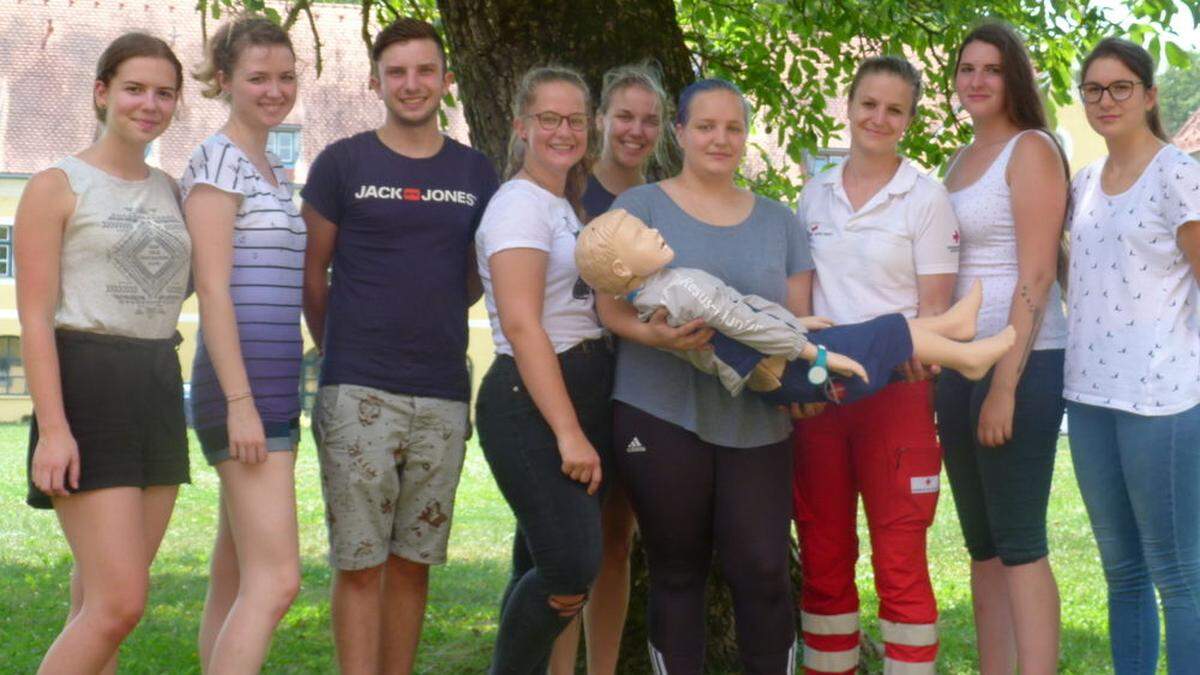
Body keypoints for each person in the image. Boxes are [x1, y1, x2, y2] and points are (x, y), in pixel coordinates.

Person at [301, 18, 499, 675]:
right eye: (396, 72)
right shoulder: (344, 163)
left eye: (423, 71)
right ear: (375, 81)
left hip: (443, 392)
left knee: (414, 561)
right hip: (358, 388)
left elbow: (475, 275)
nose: (410, 84)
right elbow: (313, 274)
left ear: (447, 80)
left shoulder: (476, 172)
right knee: (359, 562)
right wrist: (345, 352)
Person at [594, 77, 804, 674]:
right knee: (676, 568)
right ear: (679, 133)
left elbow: (800, 322)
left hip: (758, 419)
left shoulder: (779, 222)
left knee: (763, 568)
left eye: (733, 127)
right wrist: (655, 335)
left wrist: (805, 384)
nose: (720, 138)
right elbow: (609, 308)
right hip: (658, 411)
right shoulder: (639, 208)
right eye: (705, 126)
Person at [17, 32, 189, 675]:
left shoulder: (173, 189)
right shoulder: (57, 185)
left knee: (97, 601)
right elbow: (34, 319)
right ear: (102, 93)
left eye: (164, 92)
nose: (149, 103)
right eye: (135, 88)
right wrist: (53, 430)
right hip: (87, 384)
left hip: (157, 383)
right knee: (120, 604)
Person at [792, 56, 959, 675]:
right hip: (822, 396)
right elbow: (800, 306)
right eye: (869, 104)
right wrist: (798, 382)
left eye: (894, 109)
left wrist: (915, 359)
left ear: (909, 119)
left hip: (896, 397)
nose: (878, 118)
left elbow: (935, 312)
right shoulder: (814, 193)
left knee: (900, 558)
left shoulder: (925, 196)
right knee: (824, 552)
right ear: (850, 106)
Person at [933, 23, 1071, 675]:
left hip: (1020, 364)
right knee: (982, 545)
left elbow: (1037, 274)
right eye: (967, 69)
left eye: (991, 68)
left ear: (1013, 75)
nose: (978, 81)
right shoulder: (958, 160)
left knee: (1019, 541)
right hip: (959, 367)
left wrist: (1005, 384)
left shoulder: (1032, 149)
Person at [1065, 37, 1200, 674]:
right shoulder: (1084, 181)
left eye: (1121, 87)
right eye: (1094, 88)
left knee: (1178, 577)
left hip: (1162, 401)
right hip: (1088, 398)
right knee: (1121, 573)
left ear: (1149, 95)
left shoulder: (1180, 173)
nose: (1106, 100)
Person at [474, 65, 614, 674]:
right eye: (549, 119)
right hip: (528, 402)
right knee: (569, 567)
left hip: (576, 390)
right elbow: (525, 326)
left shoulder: (564, 207)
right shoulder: (518, 207)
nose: (563, 131)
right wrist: (568, 431)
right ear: (521, 127)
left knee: (535, 560)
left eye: (575, 120)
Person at [577, 208, 1014, 402]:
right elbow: (745, 327)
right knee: (885, 333)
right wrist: (816, 350)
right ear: (619, 268)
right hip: (784, 365)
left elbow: (739, 315)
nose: (651, 232)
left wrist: (795, 322)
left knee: (879, 331)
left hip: (779, 356)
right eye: (639, 235)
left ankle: (952, 327)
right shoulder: (681, 290)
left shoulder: (658, 297)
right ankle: (968, 358)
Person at [182, 16, 304, 673]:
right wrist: (240, 402)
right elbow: (213, 287)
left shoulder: (272, 166)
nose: (274, 89)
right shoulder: (218, 160)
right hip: (242, 395)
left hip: (274, 392)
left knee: (234, 576)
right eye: (258, 77)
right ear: (224, 80)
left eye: (286, 76)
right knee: (277, 579)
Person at [551, 62, 672, 675]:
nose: (635, 130)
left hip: (641, 387)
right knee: (564, 549)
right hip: (573, 386)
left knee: (614, 544)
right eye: (624, 116)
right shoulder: (566, 193)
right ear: (600, 120)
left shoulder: (666, 203)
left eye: (649, 120)